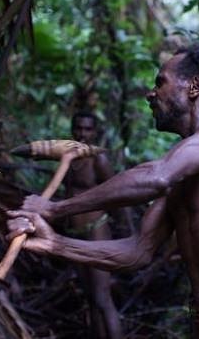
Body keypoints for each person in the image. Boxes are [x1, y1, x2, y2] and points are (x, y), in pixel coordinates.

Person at [7, 43, 199, 338]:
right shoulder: (185, 165)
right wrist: (55, 243)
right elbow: (137, 251)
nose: (150, 93)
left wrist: (55, 209)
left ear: (194, 86)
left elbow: (157, 175)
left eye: (160, 82)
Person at [62, 111, 123, 338]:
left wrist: (127, 230)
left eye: (88, 129)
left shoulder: (99, 159)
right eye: (79, 128)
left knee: (102, 298)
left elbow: (118, 193)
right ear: (72, 129)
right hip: (74, 233)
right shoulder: (66, 157)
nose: (82, 133)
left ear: (94, 132)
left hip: (96, 230)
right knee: (90, 299)